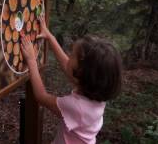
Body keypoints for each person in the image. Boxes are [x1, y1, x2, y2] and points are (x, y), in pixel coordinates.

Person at [21, 16, 122, 144]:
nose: (69, 56)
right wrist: (49, 36)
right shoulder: (96, 94)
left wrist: (31, 60)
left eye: (72, 55)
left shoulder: (77, 107)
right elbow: (67, 66)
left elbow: (41, 96)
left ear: (80, 72)